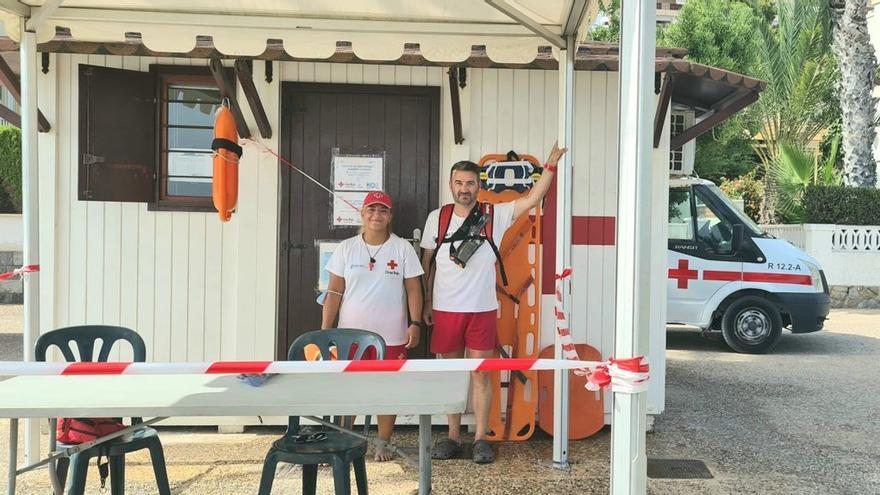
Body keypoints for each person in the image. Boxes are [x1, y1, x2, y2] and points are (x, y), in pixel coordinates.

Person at [421, 143, 567, 464]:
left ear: (479, 185)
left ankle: (480, 438)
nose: (464, 189)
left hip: (481, 310)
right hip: (445, 310)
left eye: (470, 183)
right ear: (451, 185)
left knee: (481, 375)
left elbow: (533, 198)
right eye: (459, 183)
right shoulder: (438, 217)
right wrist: (427, 302)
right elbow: (427, 263)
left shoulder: (493, 214)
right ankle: (452, 437)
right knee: (451, 375)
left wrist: (551, 165)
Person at [322, 190, 424, 461]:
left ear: (390, 216)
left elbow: (414, 288)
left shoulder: (401, 247)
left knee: (386, 390)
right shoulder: (346, 248)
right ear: (362, 214)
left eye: (382, 211)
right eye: (371, 210)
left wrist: (415, 323)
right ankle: (348, 441)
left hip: (391, 335)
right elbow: (334, 291)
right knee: (349, 389)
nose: (376, 215)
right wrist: (325, 330)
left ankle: (383, 443)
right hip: (349, 336)